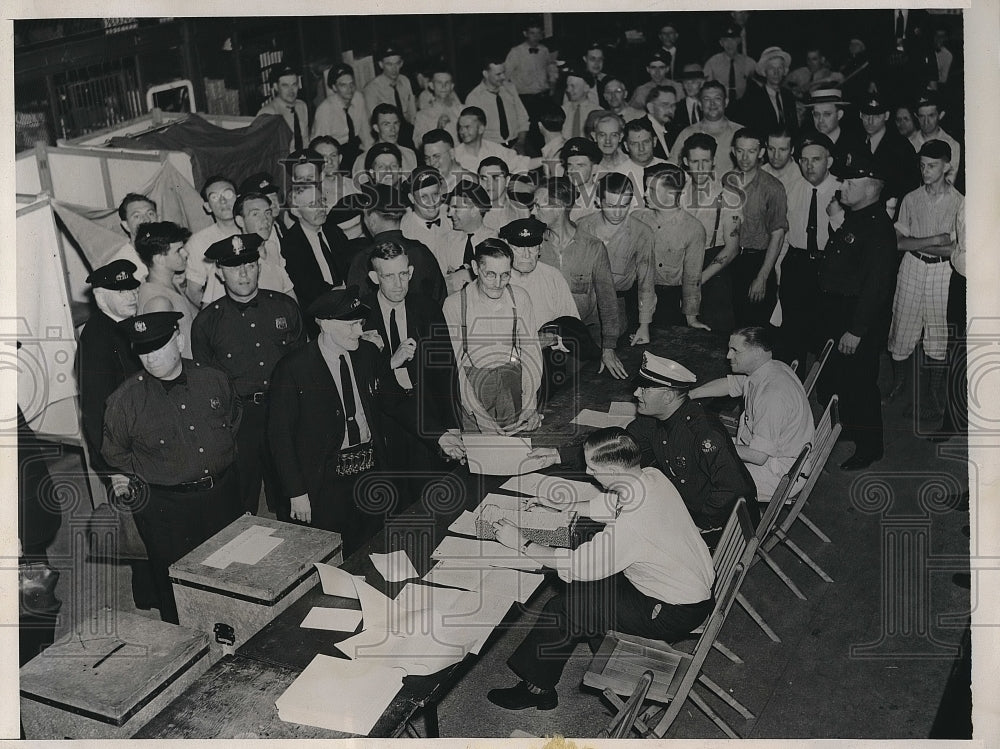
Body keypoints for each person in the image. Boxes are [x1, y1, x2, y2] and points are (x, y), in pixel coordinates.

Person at [486, 427, 714, 711]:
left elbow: (582, 565)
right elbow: (612, 504)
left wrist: (521, 542)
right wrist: (563, 505)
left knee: (564, 608)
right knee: (579, 597)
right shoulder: (650, 478)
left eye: (593, 468)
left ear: (615, 471)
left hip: (672, 610)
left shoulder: (633, 523)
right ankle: (584, 647)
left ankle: (538, 688)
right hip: (685, 587)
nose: (588, 472)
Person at [268, 286, 462, 554]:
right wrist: (296, 492)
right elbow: (280, 438)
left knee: (374, 549)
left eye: (359, 323)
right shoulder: (293, 369)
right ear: (323, 323)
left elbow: (397, 402)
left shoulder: (367, 355)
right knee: (331, 558)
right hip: (323, 483)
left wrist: (438, 435)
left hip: (369, 474)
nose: (358, 331)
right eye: (349, 325)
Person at [102, 311, 242, 623]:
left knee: (234, 571)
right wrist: (159, 470)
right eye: (143, 350)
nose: (150, 358)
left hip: (223, 496)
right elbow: (115, 453)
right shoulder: (124, 401)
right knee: (176, 586)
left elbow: (232, 422)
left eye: (158, 347)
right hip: (167, 509)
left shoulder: (213, 379)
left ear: (178, 340)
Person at [192, 233, 304, 517]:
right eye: (233, 267)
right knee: (242, 503)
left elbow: (305, 368)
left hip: (285, 412)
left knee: (293, 497)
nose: (243, 274)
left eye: (250, 265)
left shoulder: (285, 308)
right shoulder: (206, 323)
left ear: (259, 266)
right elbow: (206, 388)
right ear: (219, 272)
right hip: (240, 420)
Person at [77, 260, 158, 610]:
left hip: (143, 446)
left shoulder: (125, 327)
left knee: (152, 525)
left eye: (133, 287)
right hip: (126, 455)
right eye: (121, 290)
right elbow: (97, 411)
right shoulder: (98, 338)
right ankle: (151, 597)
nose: (131, 294)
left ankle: (152, 593)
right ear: (100, 297)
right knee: (143, 527)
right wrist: (115, 470)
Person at [814, 152, 898, 469]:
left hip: (857, 317)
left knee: (861, 383)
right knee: (844, 378)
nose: (842, 186)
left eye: (850, 182)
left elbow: (876, 287)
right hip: (841, 311)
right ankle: (849, 426)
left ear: (873, 187)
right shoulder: (858, 216)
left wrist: (857, 329)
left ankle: (870, 446)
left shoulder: (877, 228)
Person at [362, 240, 459, 506]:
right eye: (388, 276)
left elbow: (445, 370)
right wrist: (390, 363)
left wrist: (451, 424)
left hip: (426, 419)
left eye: (403, 274)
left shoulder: (427, 308)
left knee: (432, 499)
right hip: (385, 424)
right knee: (393, 503)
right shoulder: (361, 315)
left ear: (411, 272)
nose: (398, 284)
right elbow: (360, 378)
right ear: (374, 277)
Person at [628, 352, 758, 541]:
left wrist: (699, 524)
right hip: (686, 505)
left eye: (644, 389)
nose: (636, 393)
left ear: (668, 397)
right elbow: (625, 446)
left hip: (723, 527)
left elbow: (732, 487)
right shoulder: (651, 419)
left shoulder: (704, 433)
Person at [885, 139, 964, 417]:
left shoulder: (959, 203)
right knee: (902, 326)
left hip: (943, 271)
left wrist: (915, 241)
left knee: (937, 331)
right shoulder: (911, 199)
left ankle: (933, 391)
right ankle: (900, 384)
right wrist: (934, 239)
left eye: (932, 166)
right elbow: (896, 243)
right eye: (922, 165)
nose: (926, 171)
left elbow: (953, 248)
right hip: (912, 268)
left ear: (946, 167)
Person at [690, 326, 814, 499]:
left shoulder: (772, 395)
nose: (728, 356)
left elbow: (758, 456)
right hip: (775, 456)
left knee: (699, 477)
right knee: (701, 450)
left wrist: (715, 445)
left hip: (779, 475)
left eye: (735, 351)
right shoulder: (770, 368)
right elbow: (731, 384)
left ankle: (716, 522)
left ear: (756, 353)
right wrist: (691, 394)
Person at [442, 238, 544, 434]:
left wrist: (530, 404)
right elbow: (455, 369)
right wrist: (481, 418)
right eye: (490, 275)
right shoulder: (454, 305)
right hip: (471, 396)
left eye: (505, 275)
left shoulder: (520, 298)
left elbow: (531, 352)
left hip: (511, 387)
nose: (498, 284)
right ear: (475, 267)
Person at [532, 177, 626, 379]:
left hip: (582, 341)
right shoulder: (533, 247)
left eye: (539, 206)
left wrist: (608, 348)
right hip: (544, 340)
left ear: (559, 207)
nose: (533, 211)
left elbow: (607, 301)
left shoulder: (593, 247)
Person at [501, 217, 599, 397]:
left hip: (548, 363)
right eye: (518, 248)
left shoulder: (552, 277)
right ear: (507, 247)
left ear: (540, 248)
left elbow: (573, 328)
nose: (526, 255)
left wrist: (553, 339)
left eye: (532, 248)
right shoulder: (496, 280)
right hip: (508, 365)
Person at [779, 133, 839, 373]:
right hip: (797, 264)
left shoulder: (842, 190)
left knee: (827, 331)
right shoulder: (791, 188)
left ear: (829, 161)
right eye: (804, 160)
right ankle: (794, 388)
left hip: (830, 266)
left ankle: (827, 391)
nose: (809, 165)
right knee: (793, 332)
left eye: (816, 159)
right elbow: (784, 234)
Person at [577, 172, 656, 344]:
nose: (618, 213)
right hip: (581, 304)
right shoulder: (582, 226)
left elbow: (646, 282)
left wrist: (644, 326)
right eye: (611, 206)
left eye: (624, 205)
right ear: (598, 201)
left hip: (616, 306)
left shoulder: (642, 232)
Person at [679, 133, 743, 335]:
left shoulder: (728, 196)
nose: (700, 168)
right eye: (694, 162)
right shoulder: (677, 194)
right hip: (680, 268)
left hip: (713, 273)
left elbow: (732, 249)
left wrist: (699, 280)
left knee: (714, 338)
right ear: (685, 161)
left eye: (705, 161)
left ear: (713, 161)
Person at [346, 182, 447, 305]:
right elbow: (441, 300)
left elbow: (355, 311)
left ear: (372, 219)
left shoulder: (363, 259)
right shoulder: (421, 251)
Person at [635, 163, 709, 331]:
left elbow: (692, 278)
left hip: (668, 303)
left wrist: (691, 318)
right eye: (646, 188)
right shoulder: (637, 218)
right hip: (636, 298)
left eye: (652, 190)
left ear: (671, 193)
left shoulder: (693, 229)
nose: (645, 194)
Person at [727, 128, 787, 328]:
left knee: (754, 332)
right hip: (729, 261)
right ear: (733, 151)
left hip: (756, 262)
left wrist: (762, 277)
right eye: (740, 150)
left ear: (761, 152)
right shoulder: (725, 182)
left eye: (751, 151)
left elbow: (777, 235)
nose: (745, 157)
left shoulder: (773, 187)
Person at [202, 191, 296, 305]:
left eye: (267, 213)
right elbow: (210, 313)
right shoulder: (230, 263)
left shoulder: (273, 249)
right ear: (240, 221)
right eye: (255, 214)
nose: (265, 220)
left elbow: (290, 296)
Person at [280, 184, 348, 334]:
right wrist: (337, 294)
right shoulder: (290, 244)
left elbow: (349, 267)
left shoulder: (334, 231)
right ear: (296, 211)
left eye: (322, 201)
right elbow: (305, 285)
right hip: (317, 317)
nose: (321, 208)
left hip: (348, 306)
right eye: (312, 204)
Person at [135, 221, 198, 358]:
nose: (185, 253)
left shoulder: (169, 283)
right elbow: (168, 358)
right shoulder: (158, 302)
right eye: (178, 251)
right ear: (159, 259)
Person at [858, 95, 921, 210]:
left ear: (886, 116)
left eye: (877, 116)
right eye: (867, 115)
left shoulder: (901, 147)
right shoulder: (855, 143)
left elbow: (910, 189)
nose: (870, 121)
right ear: (861, 115)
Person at [669, 81, 743, 168]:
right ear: (700, 104)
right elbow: (672, 167)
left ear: (726, 102)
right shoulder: (687, 133)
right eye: (707, 99)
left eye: (717, 98)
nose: (712, 103)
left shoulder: (740, 133)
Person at [440, 179, 497, 292]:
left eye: (456, 208)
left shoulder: (495, 241)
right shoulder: (446, 242)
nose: (450, 214)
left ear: (474, 210)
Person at [466, 53, 531, 150]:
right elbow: (471, 131)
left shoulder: (510, 89)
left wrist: (521, 142)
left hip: (515, 146)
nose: (503, 77)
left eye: (503, 72)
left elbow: (523, 117)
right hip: (491, 149)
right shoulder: (474, 98)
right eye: (498, 74)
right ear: (486, 74)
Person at [311, 64, 371, 168]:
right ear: (334, 87)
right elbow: (319, 145)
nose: (350, 89)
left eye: (352, 84)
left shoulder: (358, 98)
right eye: (343, 85)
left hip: (357, 149)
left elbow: (366, 133)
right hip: (336, 154)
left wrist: (371, 156)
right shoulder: (325, 109)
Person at [399, 166, 463, 256]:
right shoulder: (404, 229)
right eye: (424, 197)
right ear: (412, 198)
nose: (432, 202)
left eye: (435, 194)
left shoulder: (454, 215)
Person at [453, 106, 537, 174]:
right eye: (460, 127)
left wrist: (546, 159)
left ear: (481, 129)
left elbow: (523, 163)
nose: (462, 131)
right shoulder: (454, 155)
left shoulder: (495, 149)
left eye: (467, 127)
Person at [740, 46, 797, 140]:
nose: (776, 72)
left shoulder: (788, 96)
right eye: (771, 68)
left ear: (784, 71)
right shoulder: (753, 98)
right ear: (764, 72)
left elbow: (793, 128)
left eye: (780, 68)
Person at [505, 18, 552, 124]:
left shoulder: (544, 50)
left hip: (543, 97)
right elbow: (505, 76)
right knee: (530, 129)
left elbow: (550, 69)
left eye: (538, 33)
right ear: (525, 33)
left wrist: (552, 86)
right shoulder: (516, 52)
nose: (535, 37)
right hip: (525, 99)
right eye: (532, 33)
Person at [352, 104, 418, 178]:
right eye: (386, 124)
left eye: (396, 123)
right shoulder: (362, 160)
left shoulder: (409, 155)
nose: (393, 129)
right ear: (376, 128)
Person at [910, 92, 961, 185]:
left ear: (940, 115)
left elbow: (949, 181)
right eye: (921, 116)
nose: (926, 122)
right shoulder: (909, 142)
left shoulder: (952, 145)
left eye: (931, 115)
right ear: (916, 117)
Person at [703, 25, 757, 112]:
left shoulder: (749, 62)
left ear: (739, 41)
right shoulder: (712, 63)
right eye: (726, 40)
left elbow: (759, 85)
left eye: (733, 40)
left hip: (744, 107)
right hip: (720, 107)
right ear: (721, 43)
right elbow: (705, 87)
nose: (729, 44)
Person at [256, 63, 309, 151]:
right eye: (285, 85)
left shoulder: (302, 106)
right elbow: (262, 148)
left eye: (294, 84)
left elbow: (306, 140)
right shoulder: (269, 112)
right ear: (276, 87)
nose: (291, 90)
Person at [363, 46, 417, 127]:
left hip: (408, 129)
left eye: (397, 63)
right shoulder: (371, 88)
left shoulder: (405, 81)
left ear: (401, 63)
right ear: (381, 64)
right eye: (389, 64)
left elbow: (412, 113)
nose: (394, 69)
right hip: (388, 132)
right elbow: (373, 121)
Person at [108, 193, 158, 282]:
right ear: (126, 225)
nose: (146, 220)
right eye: (137, 216)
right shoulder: (120, 264)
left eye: (150, 213)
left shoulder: (170, 252)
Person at [804, 88, 861, 164]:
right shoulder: (806, 143)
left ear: (839, 115)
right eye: (816, 114)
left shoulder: (855, 145)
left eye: (827, 114)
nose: (820, 120)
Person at [413, 65, 464, 147]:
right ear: (431, 85)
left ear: (452, 86)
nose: (443, 86)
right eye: (439, 82)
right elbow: (419, 145)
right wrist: (438, 129)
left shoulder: (462, 111)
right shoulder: (422, 116)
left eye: (447, 82)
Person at [479, 157, 530, 233]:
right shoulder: (473, 214)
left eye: (495, 177)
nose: (489, 184)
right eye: (484, 178)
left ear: (507, 180)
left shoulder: (522, 211)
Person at [761, 126, 805, 194]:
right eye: (771, 149)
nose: (776, 155)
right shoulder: (759, 173)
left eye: (782, 150)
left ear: (792, 150)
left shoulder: (802, 177)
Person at [639, 85, 679, 161]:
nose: (670, 110)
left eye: (673, 105)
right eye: (665, 105)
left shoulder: (675, 129)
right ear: (650, 107)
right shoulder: (640, 129)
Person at [561, 68, 601, 140]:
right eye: (568, 86)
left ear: (586, 88)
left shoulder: (598, 112)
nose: (568, 90)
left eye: (573, 86)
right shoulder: (562, 110)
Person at [673, 64, 707, 129]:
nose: (689, 86)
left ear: (702, 83)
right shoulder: (677, 108)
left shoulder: (708, 106)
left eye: (693, 82)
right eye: (685, 82)